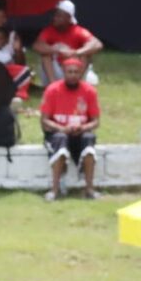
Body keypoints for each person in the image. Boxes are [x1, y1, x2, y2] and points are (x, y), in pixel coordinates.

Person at [41, 58, 101, 201]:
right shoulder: (52, 90)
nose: (73, 75)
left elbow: (96, 121)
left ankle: (89, 189)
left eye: (76, 72)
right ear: (63, 72)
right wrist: (62, 128)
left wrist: (83, 127)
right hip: (57, 133)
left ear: (81, 73)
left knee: (89, 140)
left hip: (80, 133)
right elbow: (44, 120)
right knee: (60, 140)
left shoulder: (89, 91)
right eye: (70, 72)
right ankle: (54, 190)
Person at [32, 0, 103, 86]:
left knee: (85, 55)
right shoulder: (49, 31)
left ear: (68, 18)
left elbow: (97, 44)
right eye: (54, 15)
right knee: (45, 54)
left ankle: (76, 85)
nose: (54, 18)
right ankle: (53, 87)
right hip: (55, 71)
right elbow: (36, 45)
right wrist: (57, 50)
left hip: (73, 70)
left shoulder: (78, 31)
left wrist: (76, 52)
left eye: (59, 16)